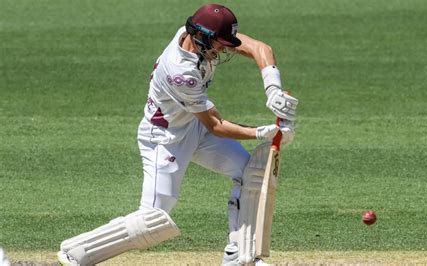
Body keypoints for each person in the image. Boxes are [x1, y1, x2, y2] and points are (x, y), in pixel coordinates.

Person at [57, 4, 298, 266]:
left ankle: (240, 256)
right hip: (165, 140)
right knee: (154, 218)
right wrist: (262, 133)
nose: (222, 50)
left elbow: (261, 49)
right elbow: (215, 124)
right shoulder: (181, 72)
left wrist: (272, 88)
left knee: (248, 171)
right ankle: (76, 252)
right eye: (218, 44)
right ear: (202, 38)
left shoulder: (193, 34)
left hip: (193, 127)